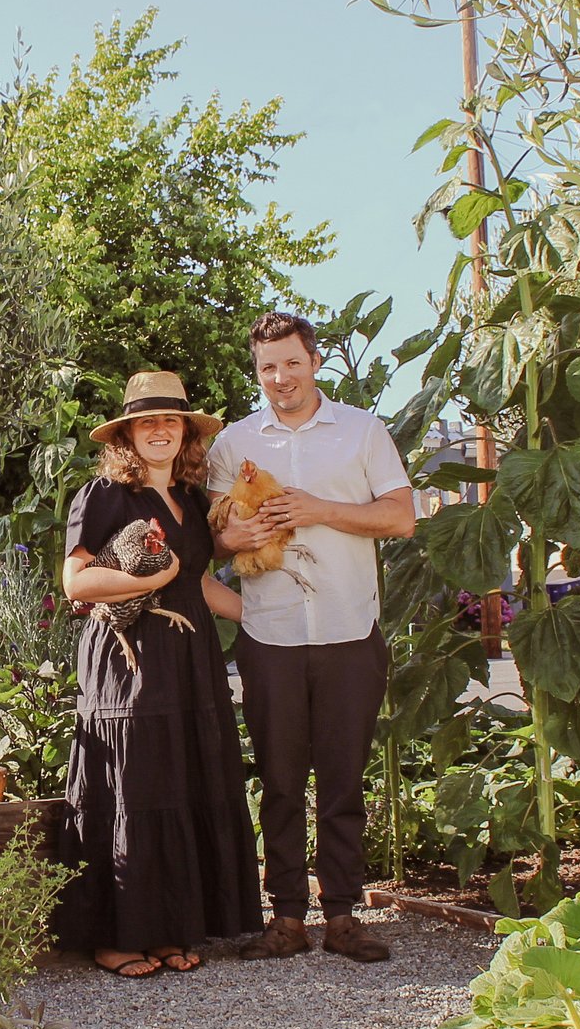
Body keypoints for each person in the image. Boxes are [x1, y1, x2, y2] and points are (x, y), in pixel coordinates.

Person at [209, 313, 419, 963]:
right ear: (257, 371)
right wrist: (233, 537)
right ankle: (287, 918)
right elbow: (212, 539)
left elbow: (401, 518)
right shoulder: (235, 443)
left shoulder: (362, 431)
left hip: (348, 629)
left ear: (315, 362)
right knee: (277, 781)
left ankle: (343, 915)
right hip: (269, 636)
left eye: (291, 363)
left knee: (342, 780)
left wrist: (318, 509)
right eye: (268, 367)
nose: (281, 377)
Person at [55, 370, 263, 978]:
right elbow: (77, 583)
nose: (159, 430)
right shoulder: (103, 495)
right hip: (130, 661)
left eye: (170, 419)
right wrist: (153, 576)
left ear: (185, 433)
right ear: (127, 434)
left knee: (180, 782)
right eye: (146, 421)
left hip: (190, 661)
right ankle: (117, 937)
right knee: (135, 785)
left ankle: (170, 928)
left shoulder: (190, 500)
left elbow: (197, 583)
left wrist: (267, 622)